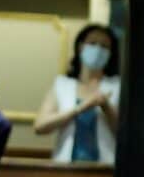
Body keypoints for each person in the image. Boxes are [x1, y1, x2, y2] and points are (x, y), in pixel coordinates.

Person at [37, 24, 119, 165]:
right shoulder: (62, 85)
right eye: (92, 43)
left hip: (106, 167)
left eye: (105, 47)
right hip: (65, 166)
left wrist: (106, 106)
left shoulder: (117, 86)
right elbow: (40, 126)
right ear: (80, 47)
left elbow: (126, 134)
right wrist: (80, 108)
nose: (98, 50)